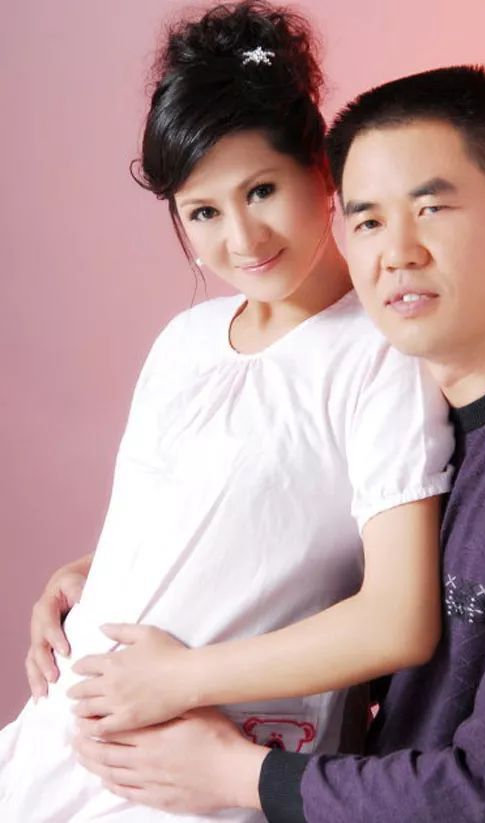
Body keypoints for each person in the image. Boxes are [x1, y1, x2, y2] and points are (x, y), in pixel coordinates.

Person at [70, 65, 485, 821]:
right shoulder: (426, 415)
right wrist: (99, 579)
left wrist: (242, 774)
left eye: (431, 208)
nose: (397, 252)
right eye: (368, 221)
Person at [0, 5, 454, 821]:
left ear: (321, 168)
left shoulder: (380, 354)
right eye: (203, 211)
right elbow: (222, 526)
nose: (242, 239)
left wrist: (179, 678)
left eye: (261, 190)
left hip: (193, 776)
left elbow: (399, 617)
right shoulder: (186, 340)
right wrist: (86, 577)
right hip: (54, 746)